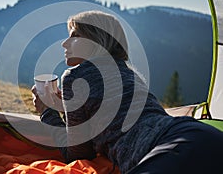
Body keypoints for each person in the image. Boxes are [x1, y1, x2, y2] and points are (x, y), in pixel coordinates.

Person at [31, 10, 223, 173]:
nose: (64, 44)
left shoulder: (75, 75)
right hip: (199, 133)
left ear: (97, 39)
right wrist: (67, 108)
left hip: (165, 150)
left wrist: (47, 112)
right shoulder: (128, 74)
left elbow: (79, 154)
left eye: (74, 36)